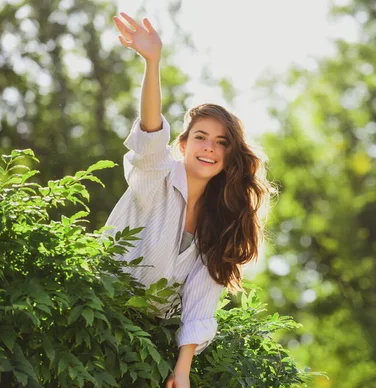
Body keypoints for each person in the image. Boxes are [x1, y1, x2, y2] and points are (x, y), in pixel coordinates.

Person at [106, 12, 273, 388]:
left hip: (145, 340)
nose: (209, 148)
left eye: (221, 142)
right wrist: (152, 63)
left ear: (230, 155)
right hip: (96, 310)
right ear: (182, 145)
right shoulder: (156, 177)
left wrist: (182, 370)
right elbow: (149, 139)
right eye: (200, 137)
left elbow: (202, 298)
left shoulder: (222, 220)